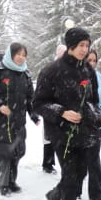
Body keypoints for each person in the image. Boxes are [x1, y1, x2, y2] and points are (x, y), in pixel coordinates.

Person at [33, 27, 101, 200]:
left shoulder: (88, 71)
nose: (84, 50)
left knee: (81, 173)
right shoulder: (51, 71)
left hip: (84, 131)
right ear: (70, 46)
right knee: (71, 174)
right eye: (80, 45)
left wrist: (94, 115)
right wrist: (62, 112)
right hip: (62, 133)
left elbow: (94, 99)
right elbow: (38, 103)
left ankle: (55, 194)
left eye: (86, 45)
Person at [0, 43, 39, 195]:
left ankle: (12, 181)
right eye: (18, 54)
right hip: (0, 121)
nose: (21, 57)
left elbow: (30, 99)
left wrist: (34, 115)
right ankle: (3, 184)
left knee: (16, 152)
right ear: (11, 54)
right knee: (3, 153)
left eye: (24, 55)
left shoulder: (25, 75)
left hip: (18, 121)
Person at [75, 49, 101, 200]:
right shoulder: (74, 75)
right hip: (78, 123)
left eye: (94, 60)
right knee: (78, 160)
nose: (91, 63)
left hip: (94, 123)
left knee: (94, 159)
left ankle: (96, 194)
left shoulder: (99, 78)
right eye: (88, 60)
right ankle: (75, 191)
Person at [42, 44, 67, 175]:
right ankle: (48, 163)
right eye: (61, 53)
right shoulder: (50, 69)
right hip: (51, 109)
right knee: (48, 138)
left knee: (63, 139)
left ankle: (66, 166)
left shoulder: (70, 69)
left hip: (65, 111)